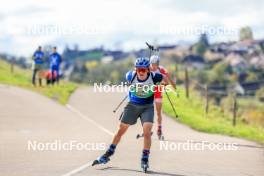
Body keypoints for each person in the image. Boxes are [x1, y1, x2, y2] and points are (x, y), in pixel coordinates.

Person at [93, 57, 168, 170]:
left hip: (147, 107)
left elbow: (165, 80)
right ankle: (108, 154)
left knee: (147, 132)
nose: (141, 72)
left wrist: (160, 86)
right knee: (121, 130)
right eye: (139, 70)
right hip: (132, 105)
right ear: (135, 70)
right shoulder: (130, 75)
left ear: (148, 70)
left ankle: (144, 159)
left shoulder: (155, 76)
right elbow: (129, 84)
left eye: (143, 70)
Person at [149, 55, 177, 139]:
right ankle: (148, 129)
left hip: (158, 91)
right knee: (148, 111)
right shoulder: (147, 69)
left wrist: (172, 86)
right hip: (149, 92)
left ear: (158, 64)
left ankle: (159, 129)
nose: (154, 66)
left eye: (155, 64)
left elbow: (167, 80)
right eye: (152, 64)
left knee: (158, 112)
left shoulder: (161, 69)